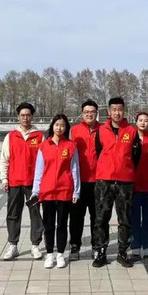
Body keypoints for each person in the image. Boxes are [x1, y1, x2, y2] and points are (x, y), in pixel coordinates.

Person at [92, 96, 141, 268]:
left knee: (125, 218)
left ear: (124, 111)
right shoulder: (101, 130)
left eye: (120, 109)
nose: (117, 113)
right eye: (114, 109)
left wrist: (125, 168)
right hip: (104, 180)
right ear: (109, 111)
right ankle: (101, 252)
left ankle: (122, 252)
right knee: (101, 218)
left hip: (125, 181)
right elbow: (98, 151)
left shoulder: (131, 131)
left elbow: (136, 156)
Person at [32, 114, 80, 269]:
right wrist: (36, 191)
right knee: (49, 225)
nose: (59, 128)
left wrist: (76, 191)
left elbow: (75, 169)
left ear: (66, 128)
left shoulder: (71, 146)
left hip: (64, 191)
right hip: (47, 192)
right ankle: (49, 254)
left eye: (62, 125)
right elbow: (39, 171)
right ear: (52, 126)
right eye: (57, 125)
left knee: (62, 224)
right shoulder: (44, 146)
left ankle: (60, 254)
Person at [0, 102, 44, 261]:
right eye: (22, 115)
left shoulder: (39, 136)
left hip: (33, 184)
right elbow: (4, 159)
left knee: (35, 213)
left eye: (28, 115)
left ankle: (35, 245)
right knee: (13, 214)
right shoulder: (11, 136)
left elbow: (44, 161)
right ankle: (13, 245)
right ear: (18, 117)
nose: (25, 118)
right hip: (15, 182)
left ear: (32, 116)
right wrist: (4, 179)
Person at [69, 99, 100, 261]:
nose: (89, 115)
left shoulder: (103, 130)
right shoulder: (74, 130)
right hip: (78, 182)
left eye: (92, 112)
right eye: (86, 112)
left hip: (98, 181)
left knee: (97, 216)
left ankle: (96, 246)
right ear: (82, 114)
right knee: (76, 216)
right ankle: (75, 246)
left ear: (96, 113)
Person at [131, 111, 148, 259]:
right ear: (136, 122)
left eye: (146, 120)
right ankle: (135, 244)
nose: (143, 123)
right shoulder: (130, 139)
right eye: (140, 120)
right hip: (133, 185)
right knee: (134, 216)